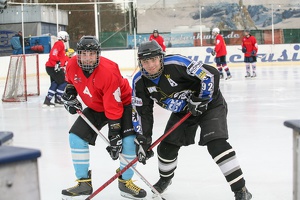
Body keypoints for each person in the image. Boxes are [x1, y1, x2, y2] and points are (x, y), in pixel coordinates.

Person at [132, 40, 252, 200]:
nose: (151, 65)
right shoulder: (140, 82)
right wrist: (143, 139)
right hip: (183, 110)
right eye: (146, 61)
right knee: (166, 148)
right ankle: (165, 180)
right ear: (140, 62)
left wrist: (201, 98)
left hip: (210, 104)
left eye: (153, 60)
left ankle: (241, 190)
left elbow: (210, 74)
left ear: (161, 58)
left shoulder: (177, 63)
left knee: (216, 144)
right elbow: (143, 113)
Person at [61, 35, 146, 200]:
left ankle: (125, 182)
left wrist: (115, 134)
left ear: (98, 54)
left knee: (128, 142)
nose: (87, 57)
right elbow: (70, 81)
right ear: (78, 54)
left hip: (123, 104)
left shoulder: (108, 71)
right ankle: (84, 183)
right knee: (76, 137)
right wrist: (70, 94)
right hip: (96, 106)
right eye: (83, 53)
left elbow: (113, 106)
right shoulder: (71, 64)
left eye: (91, 54)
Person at [43, 31, 69, 107]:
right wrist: (57, 62)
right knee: (63, 81)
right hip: (53, 67)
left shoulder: (60, 44)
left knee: (56, 82)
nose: (67, 38)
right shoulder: (59, 43)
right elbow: (53, 54)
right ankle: (54, 99)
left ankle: (50, 100)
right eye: (66, 36)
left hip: (53, 66)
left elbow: (61, 56)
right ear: (62, 37)